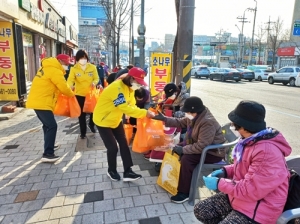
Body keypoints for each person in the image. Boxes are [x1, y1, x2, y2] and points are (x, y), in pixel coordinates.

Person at [194, 100, 292, 224]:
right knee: (201, 210)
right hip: (241, 196)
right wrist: (224, 171)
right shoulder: (250, 140)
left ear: (244, 127)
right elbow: (243, 166)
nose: (233, 127)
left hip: (260, 208)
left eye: (234, 125)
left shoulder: (267, 153)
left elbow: (250, 190)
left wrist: (219, 183)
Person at [152, 96, 226, 203]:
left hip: (212, 152)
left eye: (187, 112)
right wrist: (164, 119)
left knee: (187, 159)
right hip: (202, 148)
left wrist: (183, 150)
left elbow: (202, 146)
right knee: (173, 147)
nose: (186, 114)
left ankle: (184, 193)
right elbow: (180, 122)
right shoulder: (195, 116)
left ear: (194, 111)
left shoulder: (207, 122)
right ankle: (177, 179)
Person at [93, 67, 155, 182]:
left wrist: (142, 113)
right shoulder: (117, 88)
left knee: (124, 144)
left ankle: (128, 171)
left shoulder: (130, 89)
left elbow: (132, 105)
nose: (139, 85)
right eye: (138, 82)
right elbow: (124, 108)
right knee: (112, 147)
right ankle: (111, 170)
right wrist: (145, 113)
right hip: (103, 120)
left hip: (115, 120)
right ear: (131, 78)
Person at [26, 54, 75, 162]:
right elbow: (63, 87)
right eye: (66, 64)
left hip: (39, 101)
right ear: (60, 61)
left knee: (47, 125)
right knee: (52, 125)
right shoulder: (55, 70)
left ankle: (49, 146)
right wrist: (72, 94)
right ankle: (48, 154)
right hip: (42, 102)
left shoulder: (46, 67)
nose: (67, 66)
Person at [67, 50, 99, 139]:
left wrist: (94, 82)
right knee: (81, 114)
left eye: (85, 58)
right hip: (79, 94)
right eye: (81, 58)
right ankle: (83, 132)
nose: (83, 60)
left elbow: (96, 78)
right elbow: (70, 80)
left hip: (90, 94)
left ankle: (92, 124)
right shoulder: (74, 68)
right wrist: (70, 86)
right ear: (77, 59)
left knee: (93, 111)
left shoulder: (92, 67)